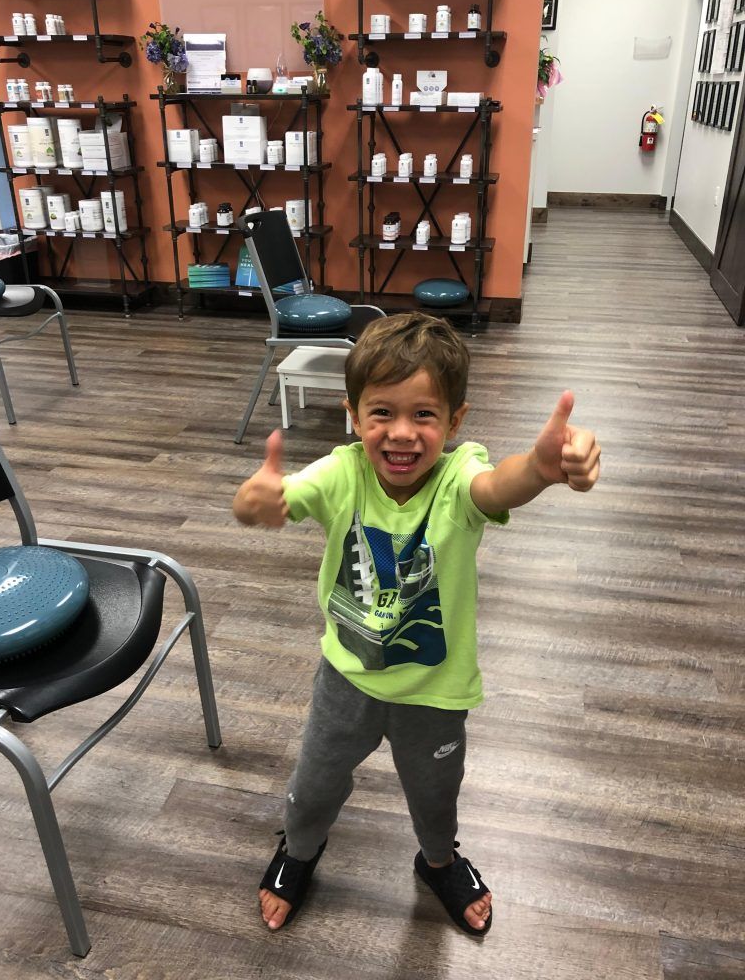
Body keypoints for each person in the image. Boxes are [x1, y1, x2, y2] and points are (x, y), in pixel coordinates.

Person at [233, 312, 600, 936]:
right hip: (345, 682)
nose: (401, 434)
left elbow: (495, 487)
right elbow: (275, 496)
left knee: (435, 795)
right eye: (382, 413)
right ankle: (299, 852)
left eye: (424, 415)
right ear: (354, 416)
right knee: (313, 788)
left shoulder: (458, 480)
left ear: (454, 421)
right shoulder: (341, 472)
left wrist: (538, 469)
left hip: (434, 694)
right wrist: (255, 501)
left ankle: (438, 860)